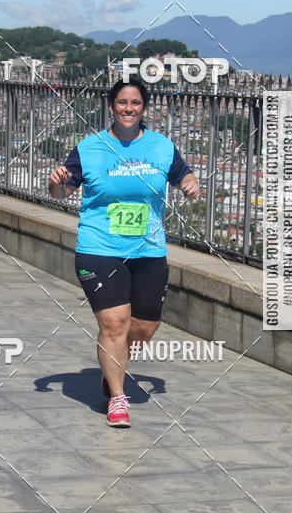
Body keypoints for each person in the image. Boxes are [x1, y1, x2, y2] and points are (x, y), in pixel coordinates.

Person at [48, 76, 200, 427]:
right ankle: (117, 397)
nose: (128, 109)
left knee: (143, 328)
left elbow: (184, 177)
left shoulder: (162, 146)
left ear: (143, 108)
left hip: (148, 249)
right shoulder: (89, 147)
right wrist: (56, 182)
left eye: (135, 103)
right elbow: (62, 192)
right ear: (111, 107)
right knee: (114, 323)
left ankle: (111, 365)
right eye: (122, 103)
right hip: (99, 246)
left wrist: (190, 185)